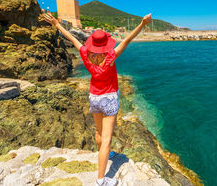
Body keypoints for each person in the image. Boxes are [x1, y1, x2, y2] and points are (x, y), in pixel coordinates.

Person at [40, 12, 152, 186]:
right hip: (109, 99)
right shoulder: (110, 58)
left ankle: (105, 153)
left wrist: (56, 23)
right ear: (106, 44)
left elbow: (71, 38)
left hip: (94, 98)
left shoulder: (85, 54)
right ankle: (101, 180)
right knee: (107, 138)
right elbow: (127, 40)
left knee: (99, 133)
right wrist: (143, 24)